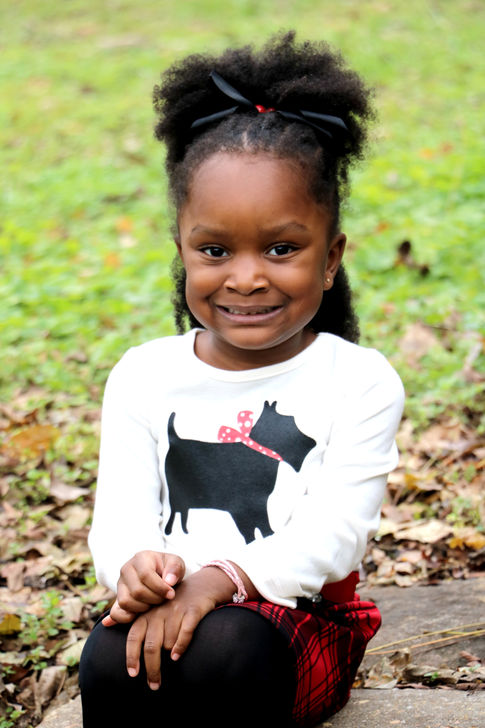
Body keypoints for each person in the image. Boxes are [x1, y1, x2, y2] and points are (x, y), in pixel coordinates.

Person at [79, 31, 405, 728]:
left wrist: (220, 581)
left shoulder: (359, 381)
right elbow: (120, 516)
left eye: (282, 248)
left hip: (297, 618)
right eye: (215, 250)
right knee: (108, 658)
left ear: (330, 258)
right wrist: (137, 568)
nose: (247, 276)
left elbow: (333, 537)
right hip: (172, 605)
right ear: (182, 251)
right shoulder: (144, 375)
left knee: (228, 649)